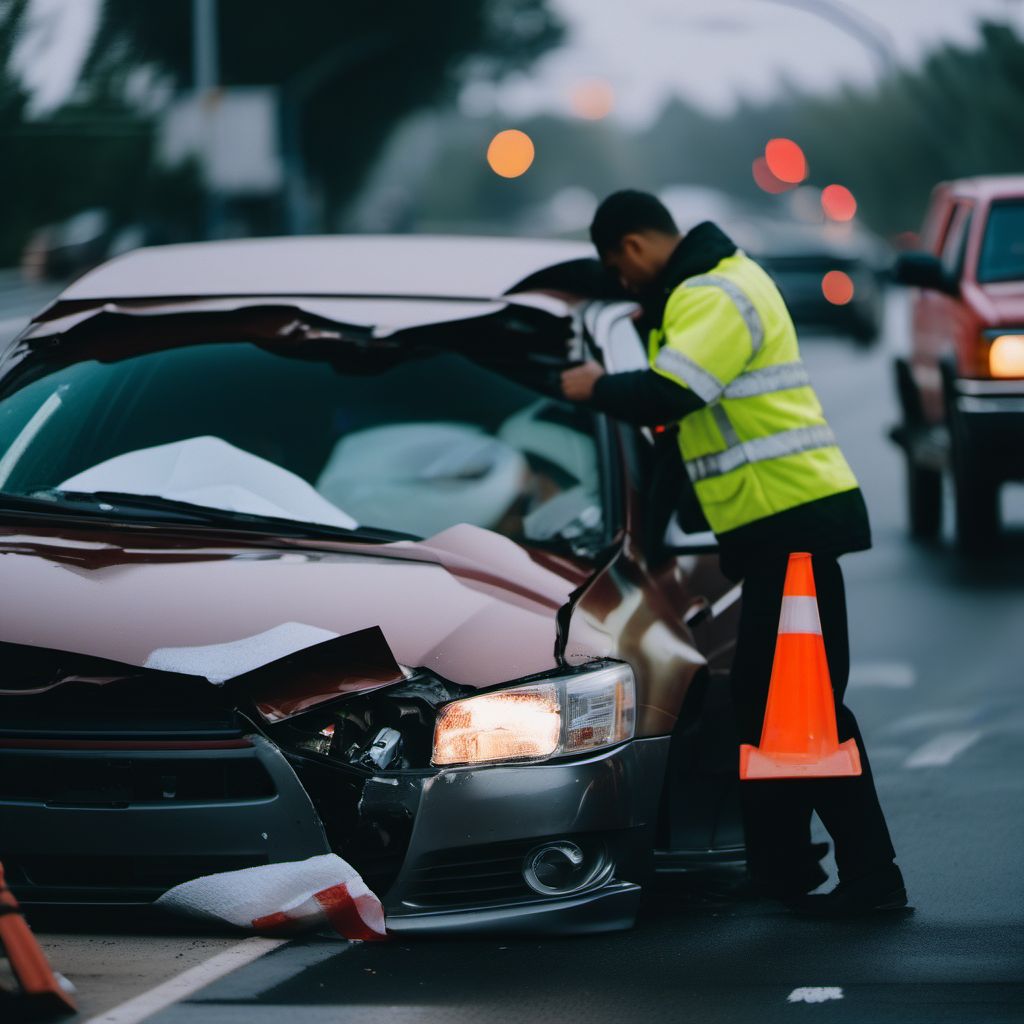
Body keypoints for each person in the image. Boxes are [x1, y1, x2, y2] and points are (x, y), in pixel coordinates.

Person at [560, 190, 907, 916]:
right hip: (778, 530)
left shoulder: (711, 293)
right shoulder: (702, 287)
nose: (625, 287)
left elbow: (670, 394)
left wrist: (594, 387)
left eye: (620, 273)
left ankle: (873, 880)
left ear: (631, 248)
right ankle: (784, 868)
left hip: (794, 525)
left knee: (807, 711)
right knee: (767, 706)